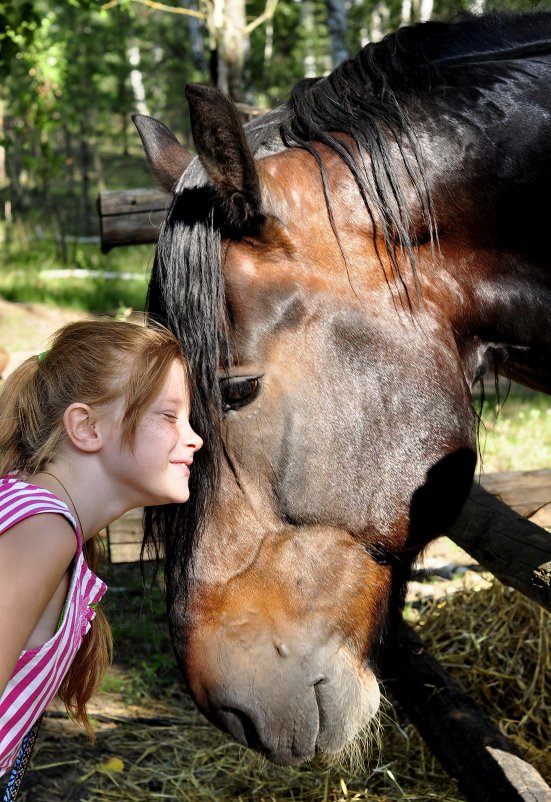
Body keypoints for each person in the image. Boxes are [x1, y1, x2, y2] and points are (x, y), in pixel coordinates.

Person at [0, 319, 203, 782]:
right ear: (87, 427)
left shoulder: (41, 518)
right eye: (169, 416)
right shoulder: (41, 530)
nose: (194, 438)